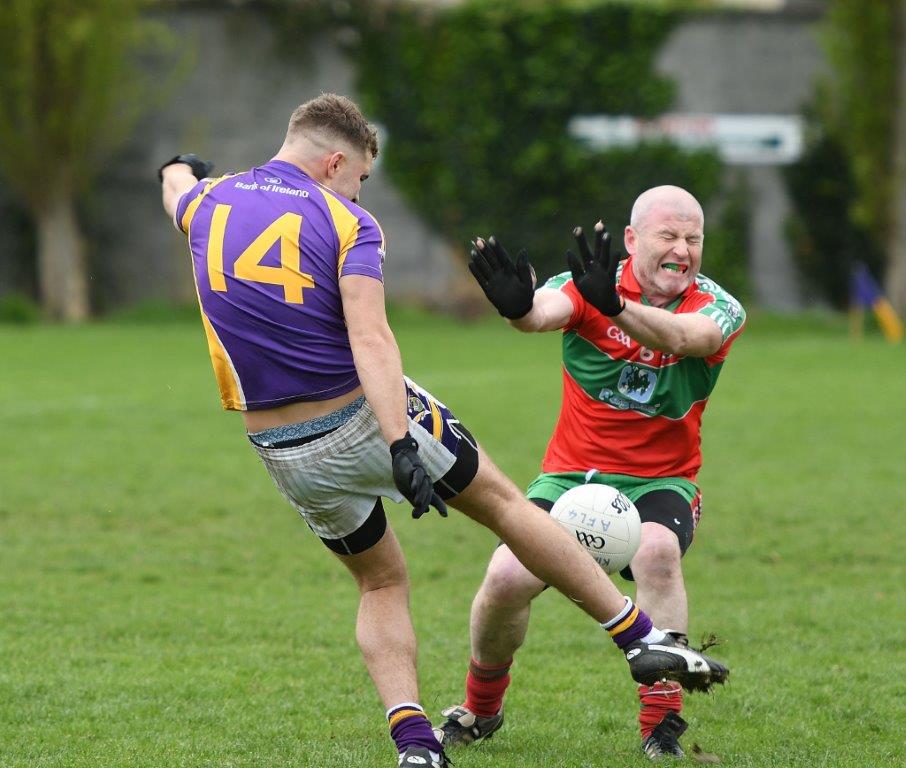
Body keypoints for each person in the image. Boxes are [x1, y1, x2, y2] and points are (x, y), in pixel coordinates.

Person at [157, 96, 728, 768]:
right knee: (505, 507)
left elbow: (176, 190)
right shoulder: (349, 221)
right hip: (361, 413)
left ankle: (416, 745)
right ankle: (637, 637)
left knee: (379, 581)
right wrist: (400, 442)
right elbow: (371, 337)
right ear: (336, 162)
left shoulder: (209, 203)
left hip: (283, 450)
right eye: (361, 176)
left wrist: (178, 165)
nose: (360, 189)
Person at [438, 186, 745, 760]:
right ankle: (480, 710)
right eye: (668, 236)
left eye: (693, 239)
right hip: (571, 480)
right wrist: (518, 307)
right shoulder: (589, 283)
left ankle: (662, 721)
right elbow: (541, 313)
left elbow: (686, 338)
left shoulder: (718, 306)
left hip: (663, 481)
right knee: (504, 581)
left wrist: (617, 308)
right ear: (632, 240)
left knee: (656, 553)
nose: (682, 249)